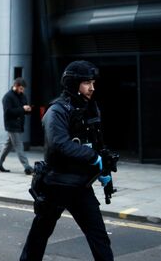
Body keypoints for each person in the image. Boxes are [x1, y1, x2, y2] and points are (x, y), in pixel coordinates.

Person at [20, 60, 114, 260]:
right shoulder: (57, 110)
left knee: (99, 236)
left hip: (81, 186)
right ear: (73, 84)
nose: (92, 88)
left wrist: (104, 170)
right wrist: (93, 157)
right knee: (39, 236)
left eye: (93, 82)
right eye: (87, 83)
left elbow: (97, 142)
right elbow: (59, 144)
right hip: (57, 184)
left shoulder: (91, 107)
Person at [0, 77, 34, 175]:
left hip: (19, 124)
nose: (22, 91)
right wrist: (23, 109)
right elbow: (8, 112)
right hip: (11, 124)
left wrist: (28, 110)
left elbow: (23, 109)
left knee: (8, 144)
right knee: (18, 145)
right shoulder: (7, 97)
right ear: (15, 86)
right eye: (21, 88)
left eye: (23, 89)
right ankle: (27, 166)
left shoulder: (22, 96)